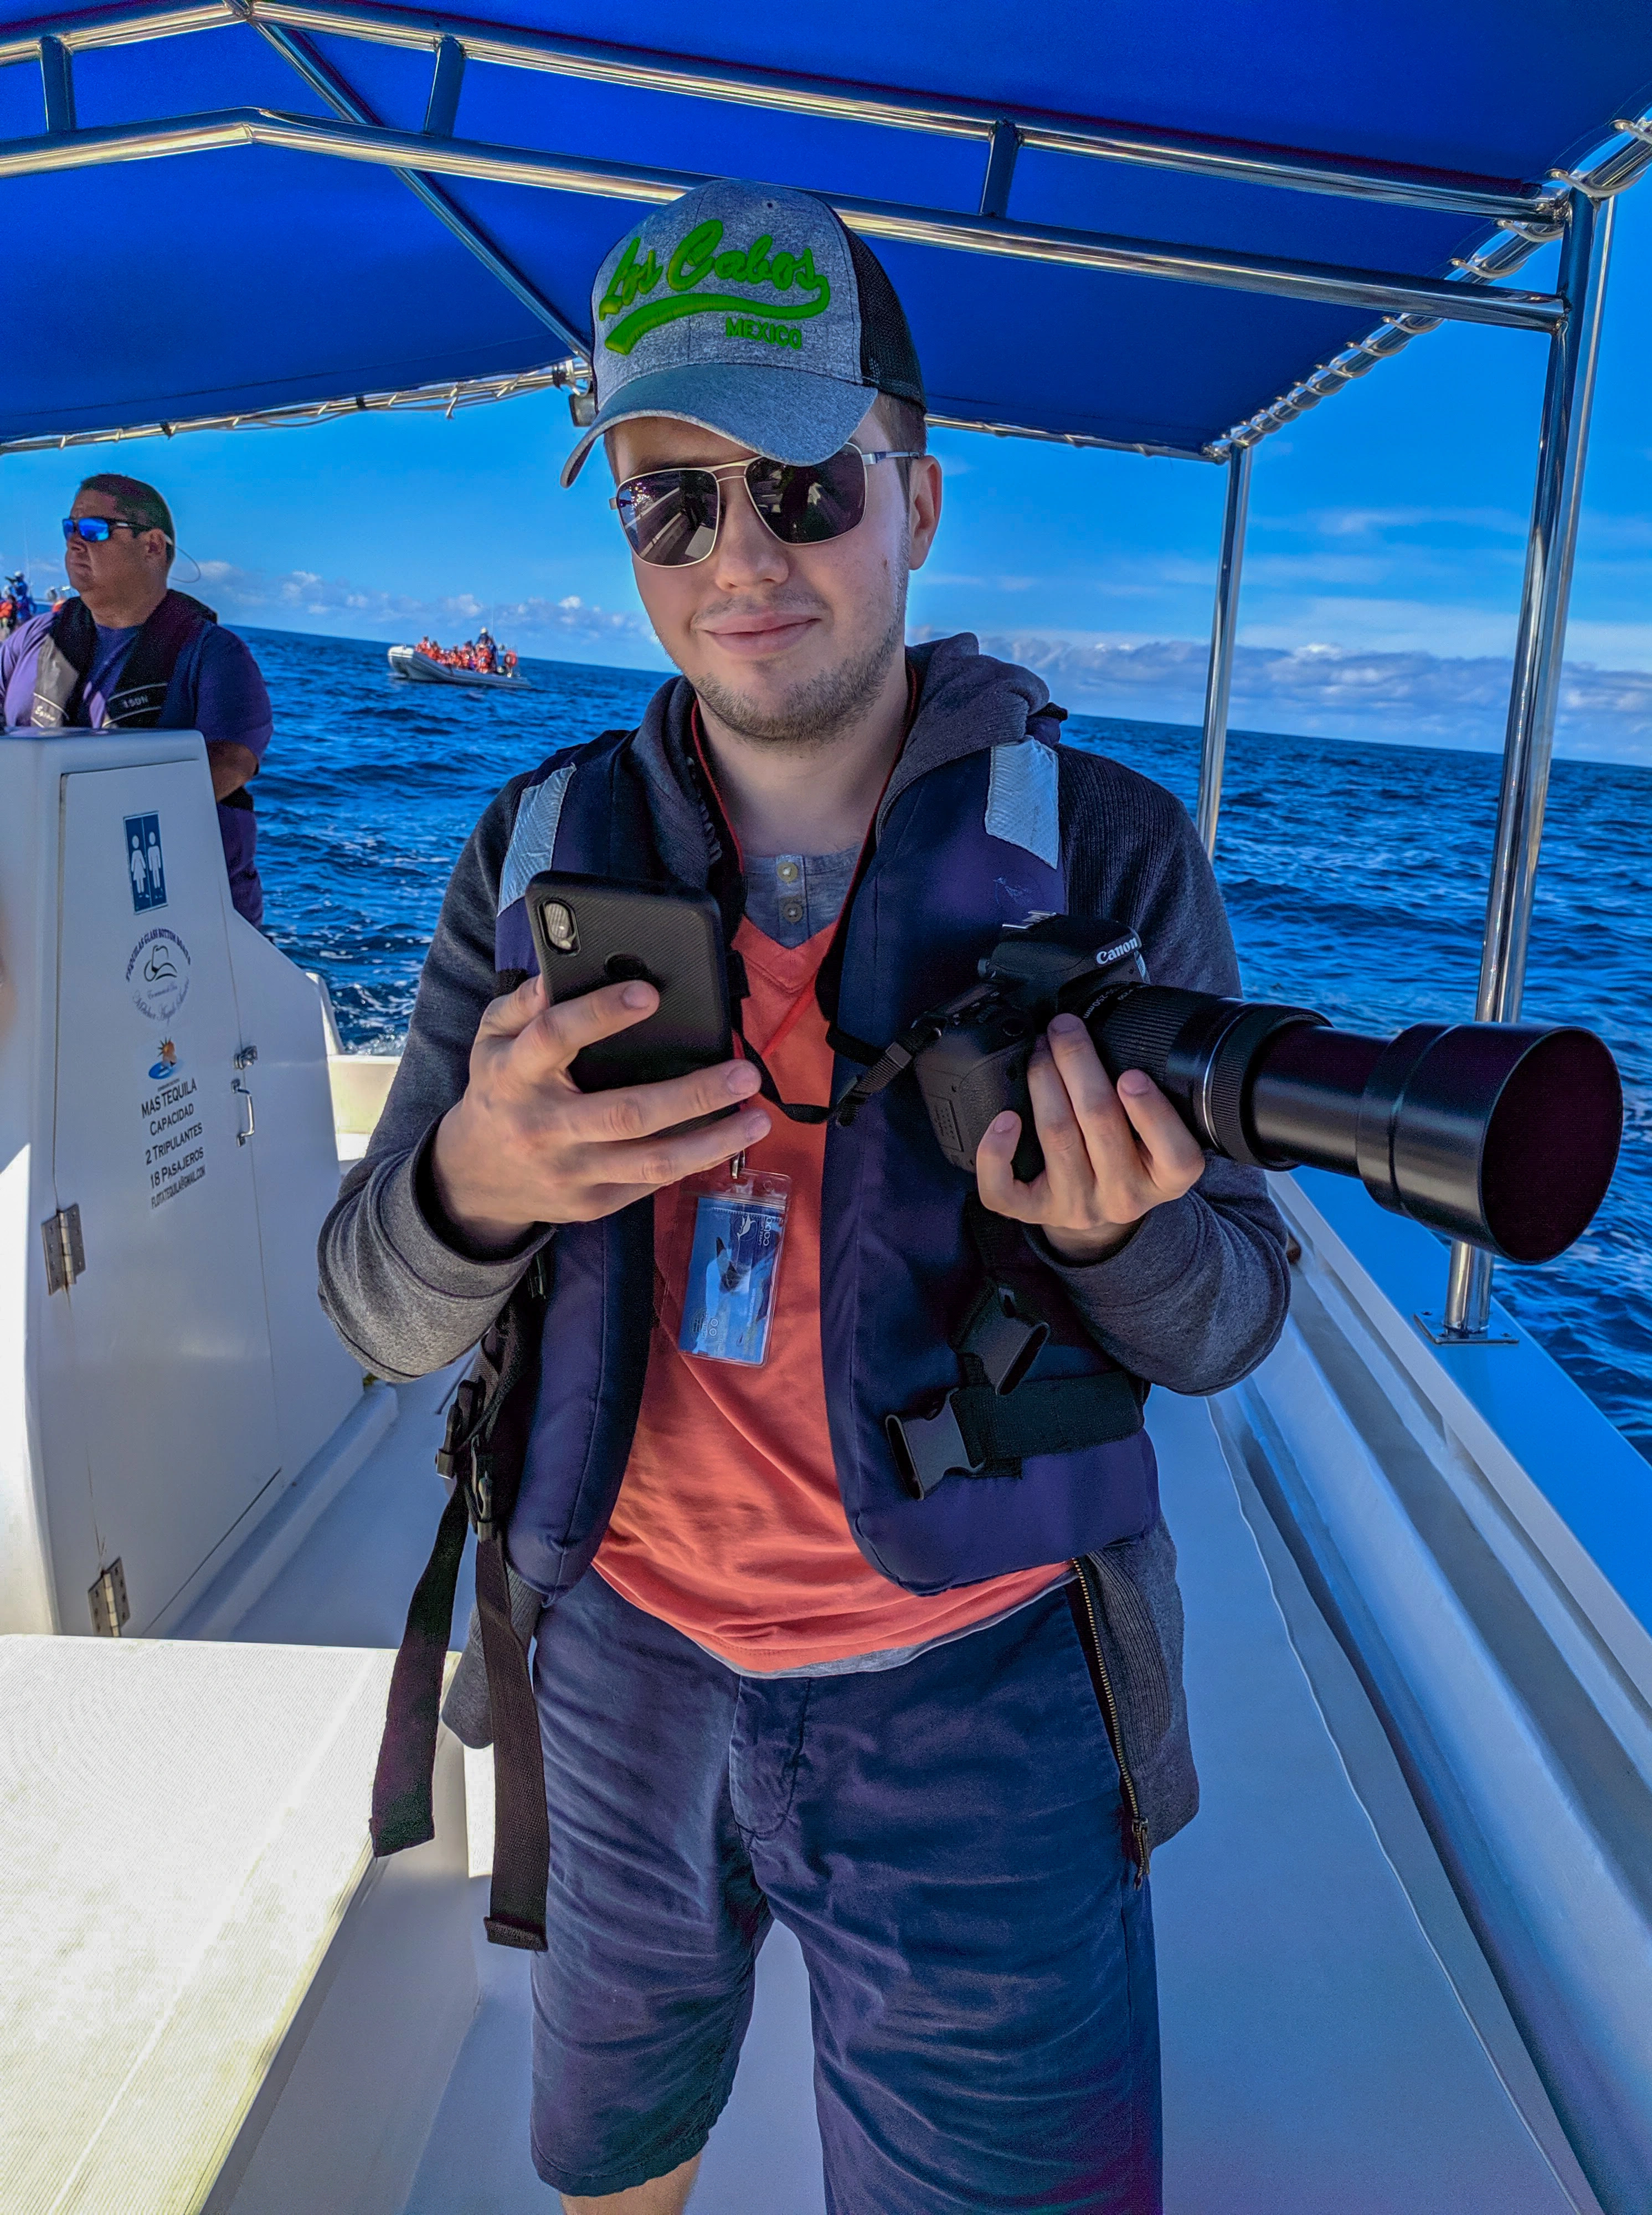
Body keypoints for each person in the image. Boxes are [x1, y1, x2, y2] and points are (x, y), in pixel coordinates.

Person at [320, 178, 1289, 2214]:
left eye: (800, 488)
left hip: (985, 1690)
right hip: (620, 1661)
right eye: (670, 499)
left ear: (915, 502)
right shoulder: (524, 855)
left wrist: (1123, 1234)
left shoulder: (1108, 859)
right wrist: (474, 1182)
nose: (738, 554)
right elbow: (370, 1306)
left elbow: (1227, 1323)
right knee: (608, 2151)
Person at [0, 475, 274, 926]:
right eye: (71, 529)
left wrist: (89, 818)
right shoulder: (33, 638)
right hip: (38, 895)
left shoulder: (216, 656)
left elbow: (231, 763)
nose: (75, 543)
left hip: (176, 918)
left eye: (95, 531)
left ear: (152, 546)